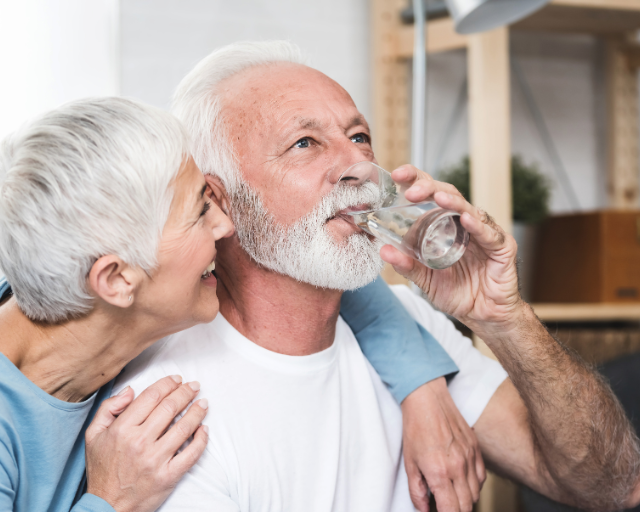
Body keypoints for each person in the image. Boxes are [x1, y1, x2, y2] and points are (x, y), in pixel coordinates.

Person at [116, 40, 640, 512]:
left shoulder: (413, 328)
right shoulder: (167, 414)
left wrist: (505, 319)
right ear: (220, 200)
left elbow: (613, 487)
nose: (358, 167)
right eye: (305, 143)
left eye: (359, 136)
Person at [0, 97, 465, 511]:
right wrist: (112, 501)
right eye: (200, 211)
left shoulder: (74, 301)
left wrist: (419, 386)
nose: (226, 226)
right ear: (117, 279)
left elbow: (325, 273)